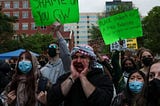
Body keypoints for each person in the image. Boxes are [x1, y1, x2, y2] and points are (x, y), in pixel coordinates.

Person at [45, 45, 114, 106]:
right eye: (75, 57)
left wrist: (83, 78)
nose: (78, 61)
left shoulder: (103, 79)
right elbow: (52, 99)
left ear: (90, 60)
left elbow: (103, 102)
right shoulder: (65, 78)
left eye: (83, 57)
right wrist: (73, 76)